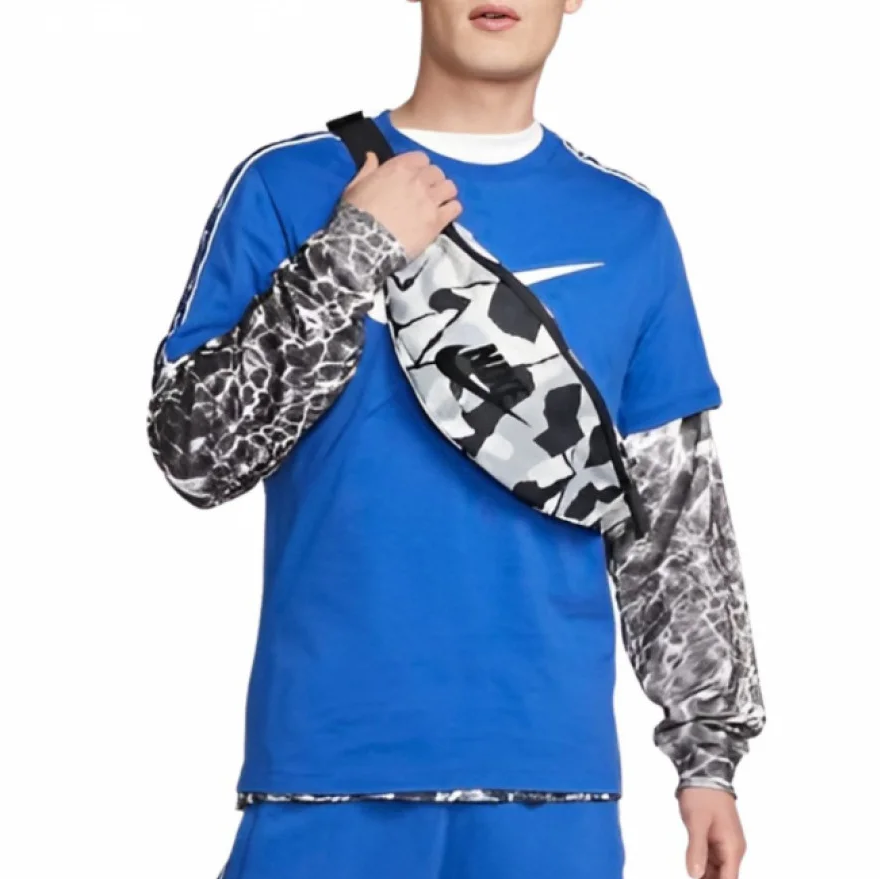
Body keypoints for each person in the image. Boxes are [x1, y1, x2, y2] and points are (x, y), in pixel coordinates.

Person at [147, 1, 766, 877]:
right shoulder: (289, 185)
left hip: (552, 785)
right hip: (324, 772)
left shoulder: (628, 225)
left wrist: (708, 758)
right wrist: (353, 249)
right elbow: (196, 453)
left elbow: (672, 517)